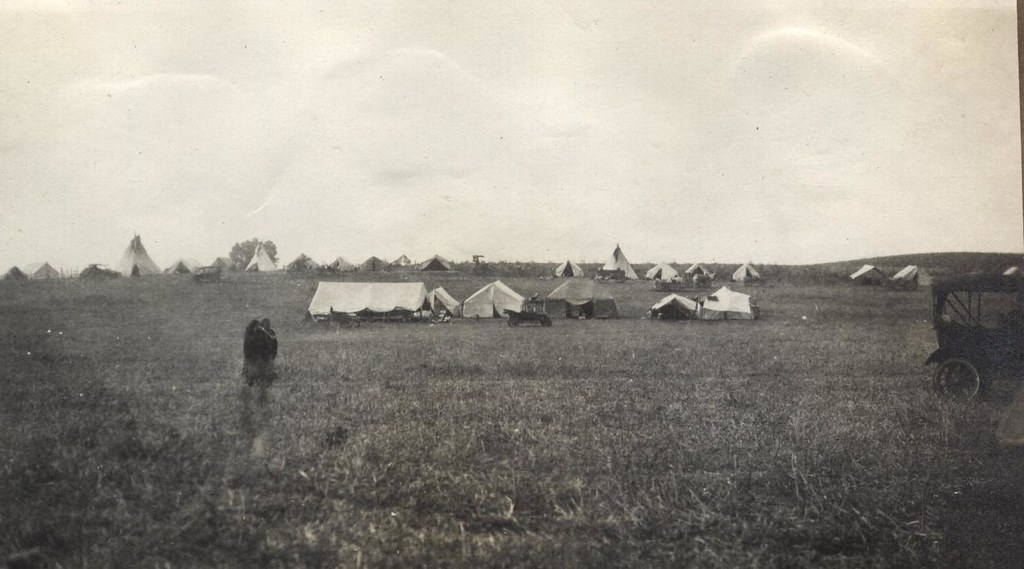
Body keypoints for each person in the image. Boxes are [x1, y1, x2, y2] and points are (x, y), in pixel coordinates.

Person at [243, 318, 278, 390]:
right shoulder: (260, 334)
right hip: (259, 357)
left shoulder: (266, 334)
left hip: (259, 357)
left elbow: (273, 345)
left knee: (258, 374)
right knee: (260, 374)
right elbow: (273, 345)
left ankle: (252, 381)